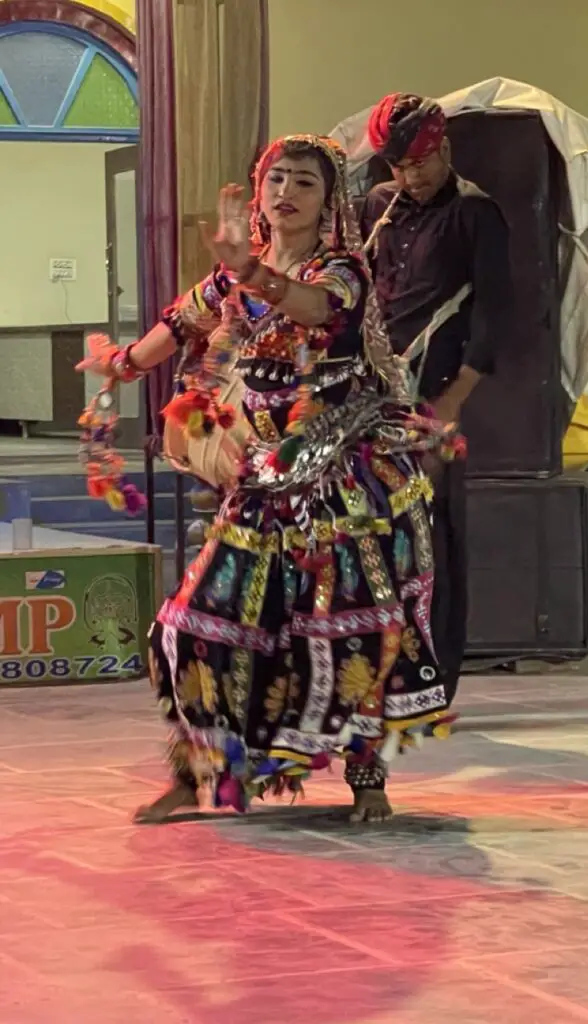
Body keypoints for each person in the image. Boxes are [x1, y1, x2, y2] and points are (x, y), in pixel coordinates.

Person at [78, 134, 461, 825]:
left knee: (350, 632)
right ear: (257, 192)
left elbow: (314, 310)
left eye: (304, 184)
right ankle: (197, 771)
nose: (285, 192)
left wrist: (254, 272)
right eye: (276, 179)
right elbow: (177, 321)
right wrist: (121, 365)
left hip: (341, 486)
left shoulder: (343, 269)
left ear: (329, 203)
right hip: (261, 483)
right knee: (194, 626)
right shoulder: (233, 277)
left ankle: (366, 776)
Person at [361, 93, 512, 706]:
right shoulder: (377, 209)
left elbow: (498, 314)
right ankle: (376, 667)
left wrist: (454, 398)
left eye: (419, 163)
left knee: (436, 535)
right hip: (373, 398)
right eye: (397, 166)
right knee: (373, 531)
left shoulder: (477, 213)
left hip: (436, 396)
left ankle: (437, 680)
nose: (410, 177)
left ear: (444, 149)